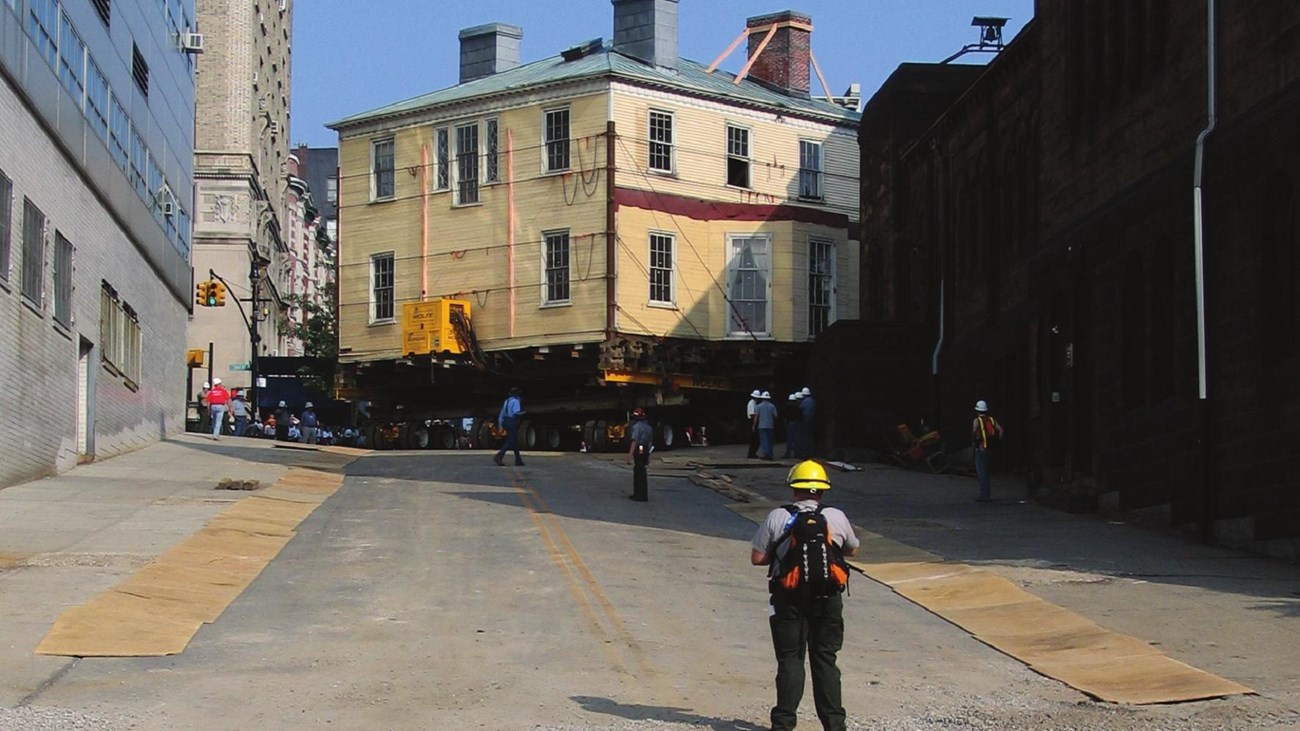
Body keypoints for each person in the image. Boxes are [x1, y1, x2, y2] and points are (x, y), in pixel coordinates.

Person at [751, 460, 860, 731]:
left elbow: (757, 558)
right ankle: (834, 725)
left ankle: (783, 724)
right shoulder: (836, 516)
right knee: (825, 659)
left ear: (794, 488)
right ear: (822, 490)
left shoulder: (778, 516)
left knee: (790, 659)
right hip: (827, 598)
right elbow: (852, 550)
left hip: (788, 597)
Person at [971, 400, 1005, 502]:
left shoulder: (977, 420)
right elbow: (1001, 430)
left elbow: (974, 431)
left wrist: (974, 442)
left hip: (981, 449)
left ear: (977, 410)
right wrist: (997, 441)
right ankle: (987, 494)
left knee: (981, 473)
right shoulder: (991, 420)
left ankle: (983, 495)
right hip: (990, 449)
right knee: (987, 472)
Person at [626, 407, 654, 501]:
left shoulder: (636, 427)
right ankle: (643, 494)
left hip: (639, 448)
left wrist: (630, 455)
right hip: (645, 449)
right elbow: (650, 442)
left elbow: (634, 441)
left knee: (638, 471)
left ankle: (638, 495)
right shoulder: (649, 427)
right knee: (643, 472)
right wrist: (648, 456)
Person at [493, 387, 524, 466]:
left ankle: (518, 460)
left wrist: (500, 425)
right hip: (512, 421)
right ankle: (499, 456)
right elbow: (516, 413)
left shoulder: (507, 401)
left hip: (505, 421)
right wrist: (523, 413)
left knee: (514, 441)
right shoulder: (516, 401)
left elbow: (502, 413)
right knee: (510, 440)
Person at [755, 391, 779, 460]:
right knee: (770, 440)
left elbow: (756, 417)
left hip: (761, 425)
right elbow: (775, 416)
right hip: (770, 425)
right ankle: (770, 453)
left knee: (764, 440)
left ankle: (766, 454)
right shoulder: (772, 406)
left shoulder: (758, 406)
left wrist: (754, 425)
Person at [798, 386, 817, 459]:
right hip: (812, 419)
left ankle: (805, 453)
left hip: (805, 419)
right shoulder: (813, 400)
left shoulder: (804, 401)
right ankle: (811, 452)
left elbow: (800, 408)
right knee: (810, 436)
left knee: (805, 437)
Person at [782, 392, 802, 460]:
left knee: (789, 439)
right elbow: (800, 416)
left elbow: (785, 416)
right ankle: (796, 453)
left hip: (790, 423)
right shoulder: (798, 407)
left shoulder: (787, 406)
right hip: (797, 423)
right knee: (796, 439)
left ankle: (788, 453)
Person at [746, 389, 762, 459]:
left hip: (754, 421)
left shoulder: (755, 403)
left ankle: (753, 453)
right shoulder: (751, 403)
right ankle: (751, 453)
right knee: (754, 439)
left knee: (755, 440)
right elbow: (752, 414)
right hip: (752, 421)